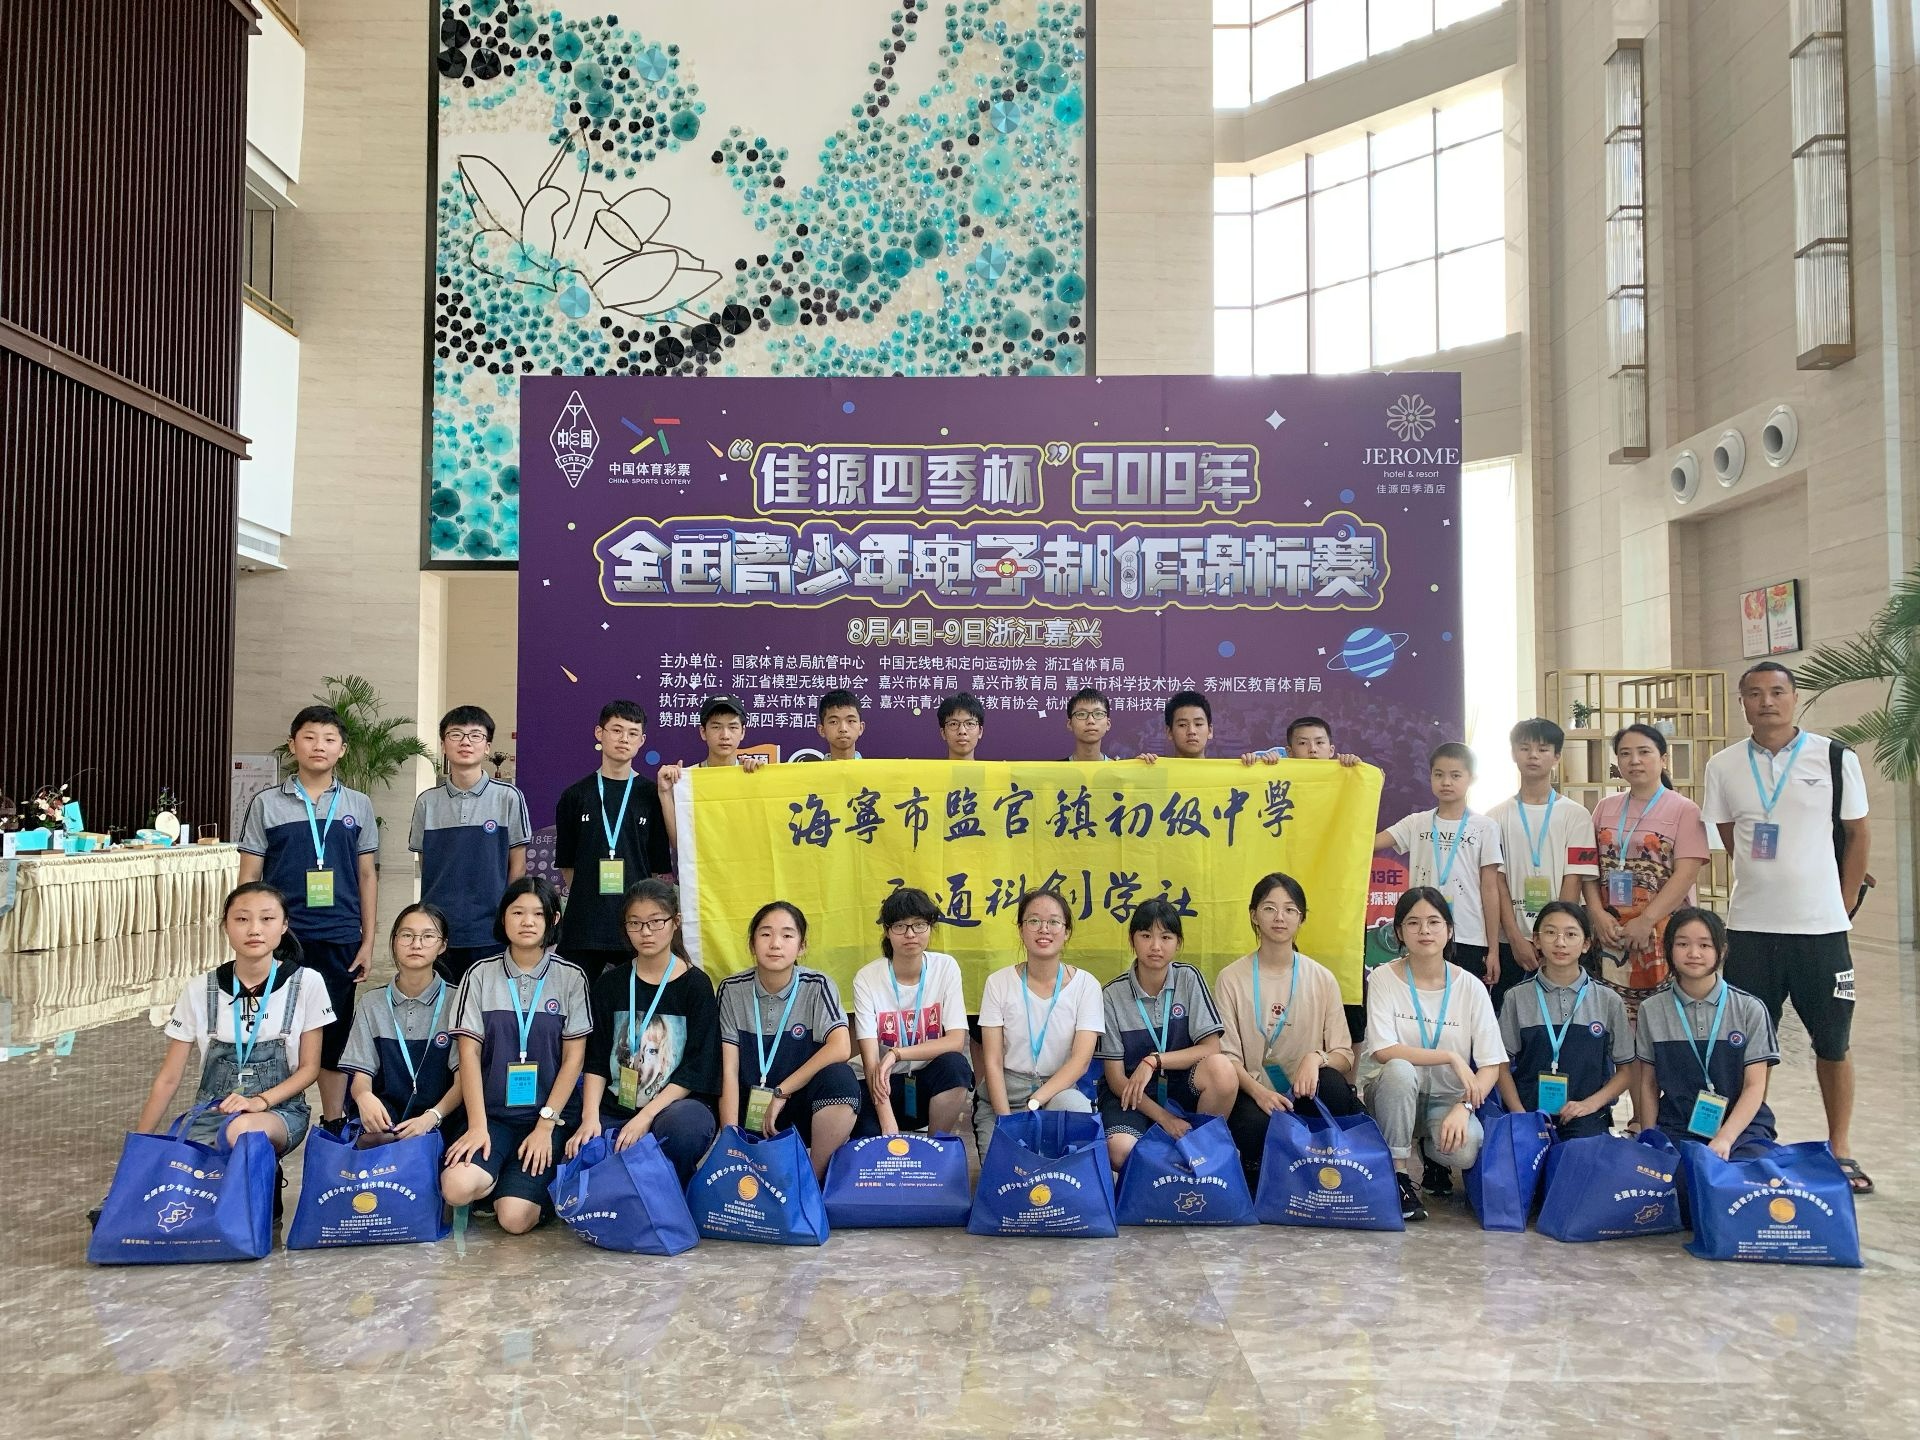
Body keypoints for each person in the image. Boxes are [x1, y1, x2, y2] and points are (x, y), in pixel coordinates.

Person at [1702, 661, 1872, 1192]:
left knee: (1833, 1042)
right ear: (1742, 703)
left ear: (1795, 698)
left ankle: (1840, 1147)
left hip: (1821, 931)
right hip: (1751, 928)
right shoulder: (1724, 765)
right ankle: (1749, 1138)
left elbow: (1857, 832)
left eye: (1777, 692)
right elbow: (1729, 833)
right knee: (1748, 1043)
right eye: (1755, 693)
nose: (1767, 701)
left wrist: (1843, 903)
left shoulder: (1835, 757)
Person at [236, 704, 378, 1128]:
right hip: (282, 939)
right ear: (292, 743)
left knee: (333, 1034)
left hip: (339, 936)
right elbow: (249, 877)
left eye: (329, 739)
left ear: (342, 749)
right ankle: (271, 1116)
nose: (319, 746)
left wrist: (368, 941)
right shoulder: (266, 804)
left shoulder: (358, 805)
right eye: (310, 737)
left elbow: (367, 875)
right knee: (275, 1031)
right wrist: (249, 936)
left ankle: (333, 1121)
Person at [138, 883, 334, 1166]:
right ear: (226, 926)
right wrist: (139, 1146)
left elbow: (309, 1068)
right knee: (178, 1167)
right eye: (242, 919)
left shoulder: (307, 983)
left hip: (279, 1111)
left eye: (267, 918)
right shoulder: (199, 989)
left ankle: (263, 1178)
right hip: (212, 1113)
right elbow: (168, 1078)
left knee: (239, 1131)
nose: (254, 929)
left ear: (284, 925)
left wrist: (259, 1102)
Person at [441, 878, 592, 1235]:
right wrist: (477, 1125)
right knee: (456, 1188)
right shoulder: (479, 974)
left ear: (553, 920)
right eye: (518, 912)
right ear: (503, 918)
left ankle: (517, 1190)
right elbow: (468, 1054)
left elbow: (574, 1059)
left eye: (538, 914)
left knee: (514, 1219)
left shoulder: (571, 977)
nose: (527, 922)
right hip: (492, 1116)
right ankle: (494, 1180)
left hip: (547, 1118)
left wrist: (545, 1125)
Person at [1362, 888, 1507, 1222]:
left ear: (1449, 930)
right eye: (1413, 923)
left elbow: (1491, 1064)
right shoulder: (1384, 978)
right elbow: (1383, 1050)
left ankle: (1431, 1151)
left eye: (1434, 922)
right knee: (1399, 1070)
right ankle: (1398, 1175)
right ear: (1399, 932)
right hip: (1392, 1095)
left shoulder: (1471, 987)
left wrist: (1465, 1107)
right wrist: (1450, 1057)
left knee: (1465, 1150)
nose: (1424, 931)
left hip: (1446, 1099)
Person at [1212, 873, 1361, 1184]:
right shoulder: (1231, 978)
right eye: (1269, 908)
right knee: (1253, 1123)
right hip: (1253, 1093)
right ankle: (1264, 1179)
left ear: (1301, 918)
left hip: (1304, 1091)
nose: (1280, 917)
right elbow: (1227, 1057)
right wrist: (1260, 1093)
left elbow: (1344, 1054)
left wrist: (1315, 1058)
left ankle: (1321, 1171)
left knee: (1334, 1086)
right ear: (1254, 915)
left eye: (1290, 909)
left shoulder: (1322, 978)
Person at [571, 879, 720, 1186]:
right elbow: (597, 1061)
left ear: (675, 922)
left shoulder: (696, 985)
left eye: (655, 922)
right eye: (635, 923)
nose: (646, 932)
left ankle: (670, 1192)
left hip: (672, 1108)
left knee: (684, 1130)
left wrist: (645, 1116)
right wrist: (590, 1118)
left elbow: (697, 1068)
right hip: (615, 1105)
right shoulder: (610, 984)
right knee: (583, 1153)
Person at [715, 901, 860, 1182]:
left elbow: (841, 1047)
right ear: (752, 943)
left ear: (802, 946)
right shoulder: (732, 989)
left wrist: (782, 1092)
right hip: (749, 1108)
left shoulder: (817, 986)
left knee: (841, 1079)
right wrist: (730, 1143)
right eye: (765, 934)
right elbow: (729, 1070)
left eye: (787, 935)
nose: (775, 944)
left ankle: (813, 1180)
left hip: (797, 1105)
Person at [1095, 898, 1238, 1171]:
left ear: (1178, 943)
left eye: (1166, 937)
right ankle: (1163, 1177)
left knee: (1222, 1069)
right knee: (1120, 1150)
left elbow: (1211, 1048)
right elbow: (1116, 1079)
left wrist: (1154, 1061)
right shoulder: (1112, 995)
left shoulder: (1189, 978)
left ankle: (1199, 1154)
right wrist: (1164, 1118)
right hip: (1132, 1094)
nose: (1156, 946)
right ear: (1132, 940)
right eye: (1146, 936)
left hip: (1180, 1084)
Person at [1632, 907, 1778, 1161]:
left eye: (1705, 945)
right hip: (1677, 1125)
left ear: (1722, 951)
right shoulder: (1651, 1009)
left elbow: (1755, 1086)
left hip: (1742, 1129)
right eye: (1682, 944)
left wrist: (1725, 1138)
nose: (1694, 953)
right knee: (1672, 1175)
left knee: (1741, 1176)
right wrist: (1650, 1138)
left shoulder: (1749, 1008)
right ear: (1668, 949)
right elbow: (1649, 1083)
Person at [1585, 724, 1709, 1022]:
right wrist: (1597, 914)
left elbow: (1686, 874)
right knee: (1611, 1019)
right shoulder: (1604, 807)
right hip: (1610, 933)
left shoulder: (1685, 809)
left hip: (1661, 932)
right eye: (1625, 754)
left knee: (1662, 1020)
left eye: (1644, 752)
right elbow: (1588, 867)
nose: (1634, 761)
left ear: (1663, 759)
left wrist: (1646, 920)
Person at [408, 705, 531, 984]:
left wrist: (507, 917)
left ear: (487, 747)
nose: (465, 742)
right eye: (456, 734)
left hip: (490, 930)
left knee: (488, 1003)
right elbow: (427, 865)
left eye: (475, 735)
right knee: (441, 1004)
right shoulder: (427, 802)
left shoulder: (508, 797)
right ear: (443, 745)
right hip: (437, 930)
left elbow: (518, 866)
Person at [554, 701, 674, 985]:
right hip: (585, 924)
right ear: (600, 733)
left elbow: (655, 869)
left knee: (639, 998)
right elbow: (568, 865)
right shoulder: (574, 796)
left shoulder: (652, 795)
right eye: (616, 730)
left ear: (642, 740)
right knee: (572, 998)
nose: (624, 739)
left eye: (633, 733)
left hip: (636, 924)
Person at [976, 889, 1105, 1153]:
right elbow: (993, 1061)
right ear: (1021, 930)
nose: (1043, 929)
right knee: (1003, 1165)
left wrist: (1035, 1101)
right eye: (1034, 921)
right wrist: (1007, 1123)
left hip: (1058, 1091)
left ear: (1066, 932)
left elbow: (1080, 1062)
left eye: (1054, 922)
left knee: (1076, 1112)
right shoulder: (998, 983)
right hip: (1006, 1094)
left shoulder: (1086, 985)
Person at [1494, 901, 1634, 1140]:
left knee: (1577, 1160)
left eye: (1570, 934)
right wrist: (1519, 1114)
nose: (1560, 943)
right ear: (1537, 940)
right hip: (1529, 1113)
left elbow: (1626, 1071)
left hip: (1586, 1117)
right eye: (1550, 933)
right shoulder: (1516, 997)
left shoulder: (1608, 1000)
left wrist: (1590, 1105)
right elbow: (1500, 1066)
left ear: (1586, 944)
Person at [1488, 718, 1599, 1011]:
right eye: (1525, 748)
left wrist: (1553, 936)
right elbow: (1497, 882)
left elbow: (1574, 877)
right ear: (1513, 753)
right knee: (1509, 1018)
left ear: (1557, 756)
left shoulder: (1577, 815)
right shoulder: (1494, 818)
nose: (1533, 756)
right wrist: (1515, 938)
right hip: (1511, 941)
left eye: (1543, 749)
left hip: (1560, 943)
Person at [1374, 743, 1505, 987]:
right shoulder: (1416, 823)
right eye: (1439, 774)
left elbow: (1490, 889)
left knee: (1462, 1004)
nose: (1446, 782)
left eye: (1455, 775)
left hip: (1469, 937)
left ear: (1471, 779)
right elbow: (1369, 843)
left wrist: (1493, 950)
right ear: (1430, 777)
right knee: (1422, 1000)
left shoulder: (1485, 827)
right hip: (1423, 933)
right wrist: (1371, 789)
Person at [851, 888, 974, 1140]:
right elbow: (871, 1060)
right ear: (887, 931)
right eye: (900, 926)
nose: (910, 934)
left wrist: (896, 1053)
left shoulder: (946, 968)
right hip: (879, 1087)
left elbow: (955, 1041)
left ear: (930, 927)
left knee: (956, 1066)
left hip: (926, 1083)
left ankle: (936, 1146)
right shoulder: (867, 978)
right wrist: (888, 1124)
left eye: (919, 925)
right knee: (874, 1145)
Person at [340, 902, 463, 1146]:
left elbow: (464, 1081)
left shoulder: (458, 1001)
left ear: (442, 945)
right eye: (407, 935)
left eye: (428, 936)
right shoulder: (371, 1003)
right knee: (373, 1140)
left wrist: (432, 1117)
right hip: (387, 1119)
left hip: (442, 1118)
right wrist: (364, 1096)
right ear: (394, 941)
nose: (416, 944)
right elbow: (361, 1076)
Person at [1240, 715, 1363, 767]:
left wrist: (1356, 770)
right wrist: (1252, 766)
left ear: (1331, 750)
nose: (1313, 749)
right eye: (1303, 743)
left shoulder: (1345, 770)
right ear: (1289, 751)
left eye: (1319, 742)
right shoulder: (1276, 769)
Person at [811, 689, 865, 762]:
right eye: (834, 722)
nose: (843, 729)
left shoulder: (872, 769)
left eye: (850, 721)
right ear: (822, 730)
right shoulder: (815, 769)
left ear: (861, 728)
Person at [1063, 687, 1113, 761]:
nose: (1090, 721)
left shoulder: (1119, 768)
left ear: (1108, 724)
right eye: (1081, 714)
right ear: (1070, 724)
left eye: (1098, 713)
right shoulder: (1054, 768)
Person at [1162, 690, 1213, 758]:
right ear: (1169, 732)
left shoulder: (1224, 765)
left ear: (1210, 731)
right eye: (1182, 725)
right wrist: (1148, 763)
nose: (1191, 731)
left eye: (1198, 724)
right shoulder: (1155, 764)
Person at [937, 692, 986, 761]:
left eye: (970, 723)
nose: (962, 731)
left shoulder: (993, 768)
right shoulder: (928, 768)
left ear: (980, 732)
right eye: (954, 724)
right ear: (943, 733)